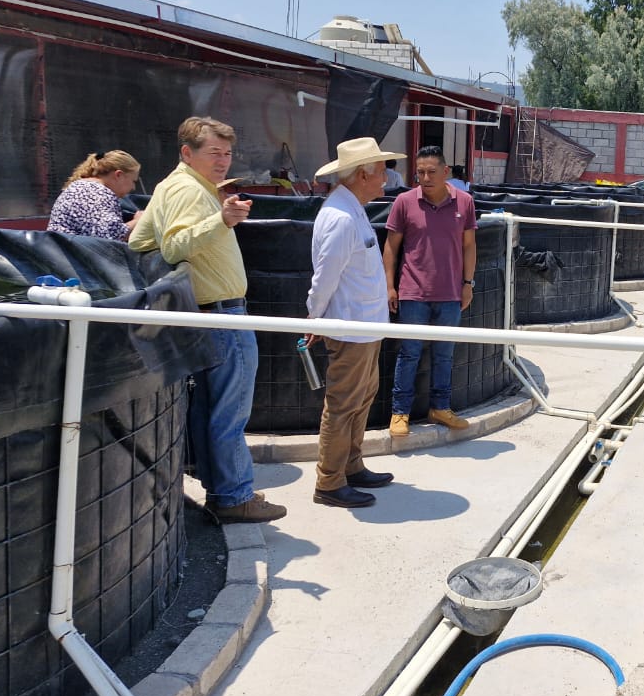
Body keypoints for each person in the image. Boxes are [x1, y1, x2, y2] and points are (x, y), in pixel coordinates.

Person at [129, 117, 286, 524]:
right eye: (213, 152)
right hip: (221, 315)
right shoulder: (187, 190)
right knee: (229, 412)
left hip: (207, 314)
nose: (222, 161)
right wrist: (221, 220)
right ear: (187, 153)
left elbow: (138, 241)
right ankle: (234, 496)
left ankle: (224, 491)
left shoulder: (175, 186)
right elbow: (174, 244)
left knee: (211, 410)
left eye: (227, 153)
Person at [305, 138, 405, 509]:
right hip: (350, 329)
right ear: (362, 174)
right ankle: (329, 482)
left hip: (363, 327)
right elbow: (325, 277)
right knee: (344, 404)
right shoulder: (341, 217)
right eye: (381, 171)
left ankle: (350, 466)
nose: (386, 178)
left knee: (360, 400)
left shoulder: (353, 210)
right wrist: (314, 316)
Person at [384, 145, 477, 435]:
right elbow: (391, 246)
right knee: (409, 352)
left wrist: (467, 284)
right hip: (413, 293)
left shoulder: (464, 202)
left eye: (431, 172)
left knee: (444, 354)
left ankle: (440, 408)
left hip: (450, 293)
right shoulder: (404, 201)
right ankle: (400, 413)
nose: (425, 177)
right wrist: (389, 285)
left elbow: (470, 246)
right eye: (420, 172)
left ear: (445, 171)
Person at [47, 150, 143, 240]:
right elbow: (111, 236)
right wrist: (139, 220)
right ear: (118, 175)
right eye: (133, 181)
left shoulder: (83, 187)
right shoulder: (98, 193)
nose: (133, 187)